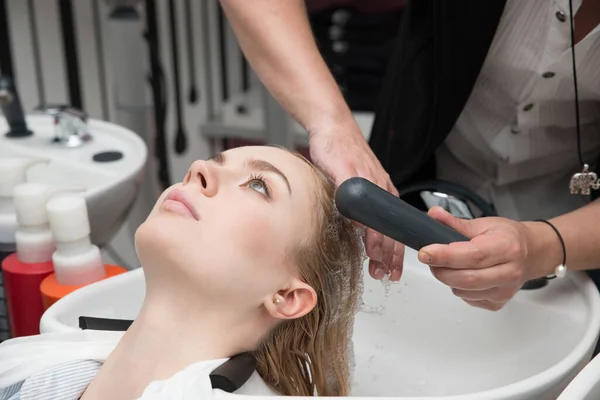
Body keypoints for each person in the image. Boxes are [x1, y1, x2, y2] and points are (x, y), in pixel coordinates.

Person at [218, 0, 600, 311]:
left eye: (259, 186)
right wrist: (333, 125)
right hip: (418, 175)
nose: (198, 171)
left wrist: (547, 246)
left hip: (576, 235)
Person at [0, 146, 364, 399]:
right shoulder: (33, 372)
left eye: (258, 185)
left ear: (286, 296)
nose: (198, 170)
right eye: (212, 162)